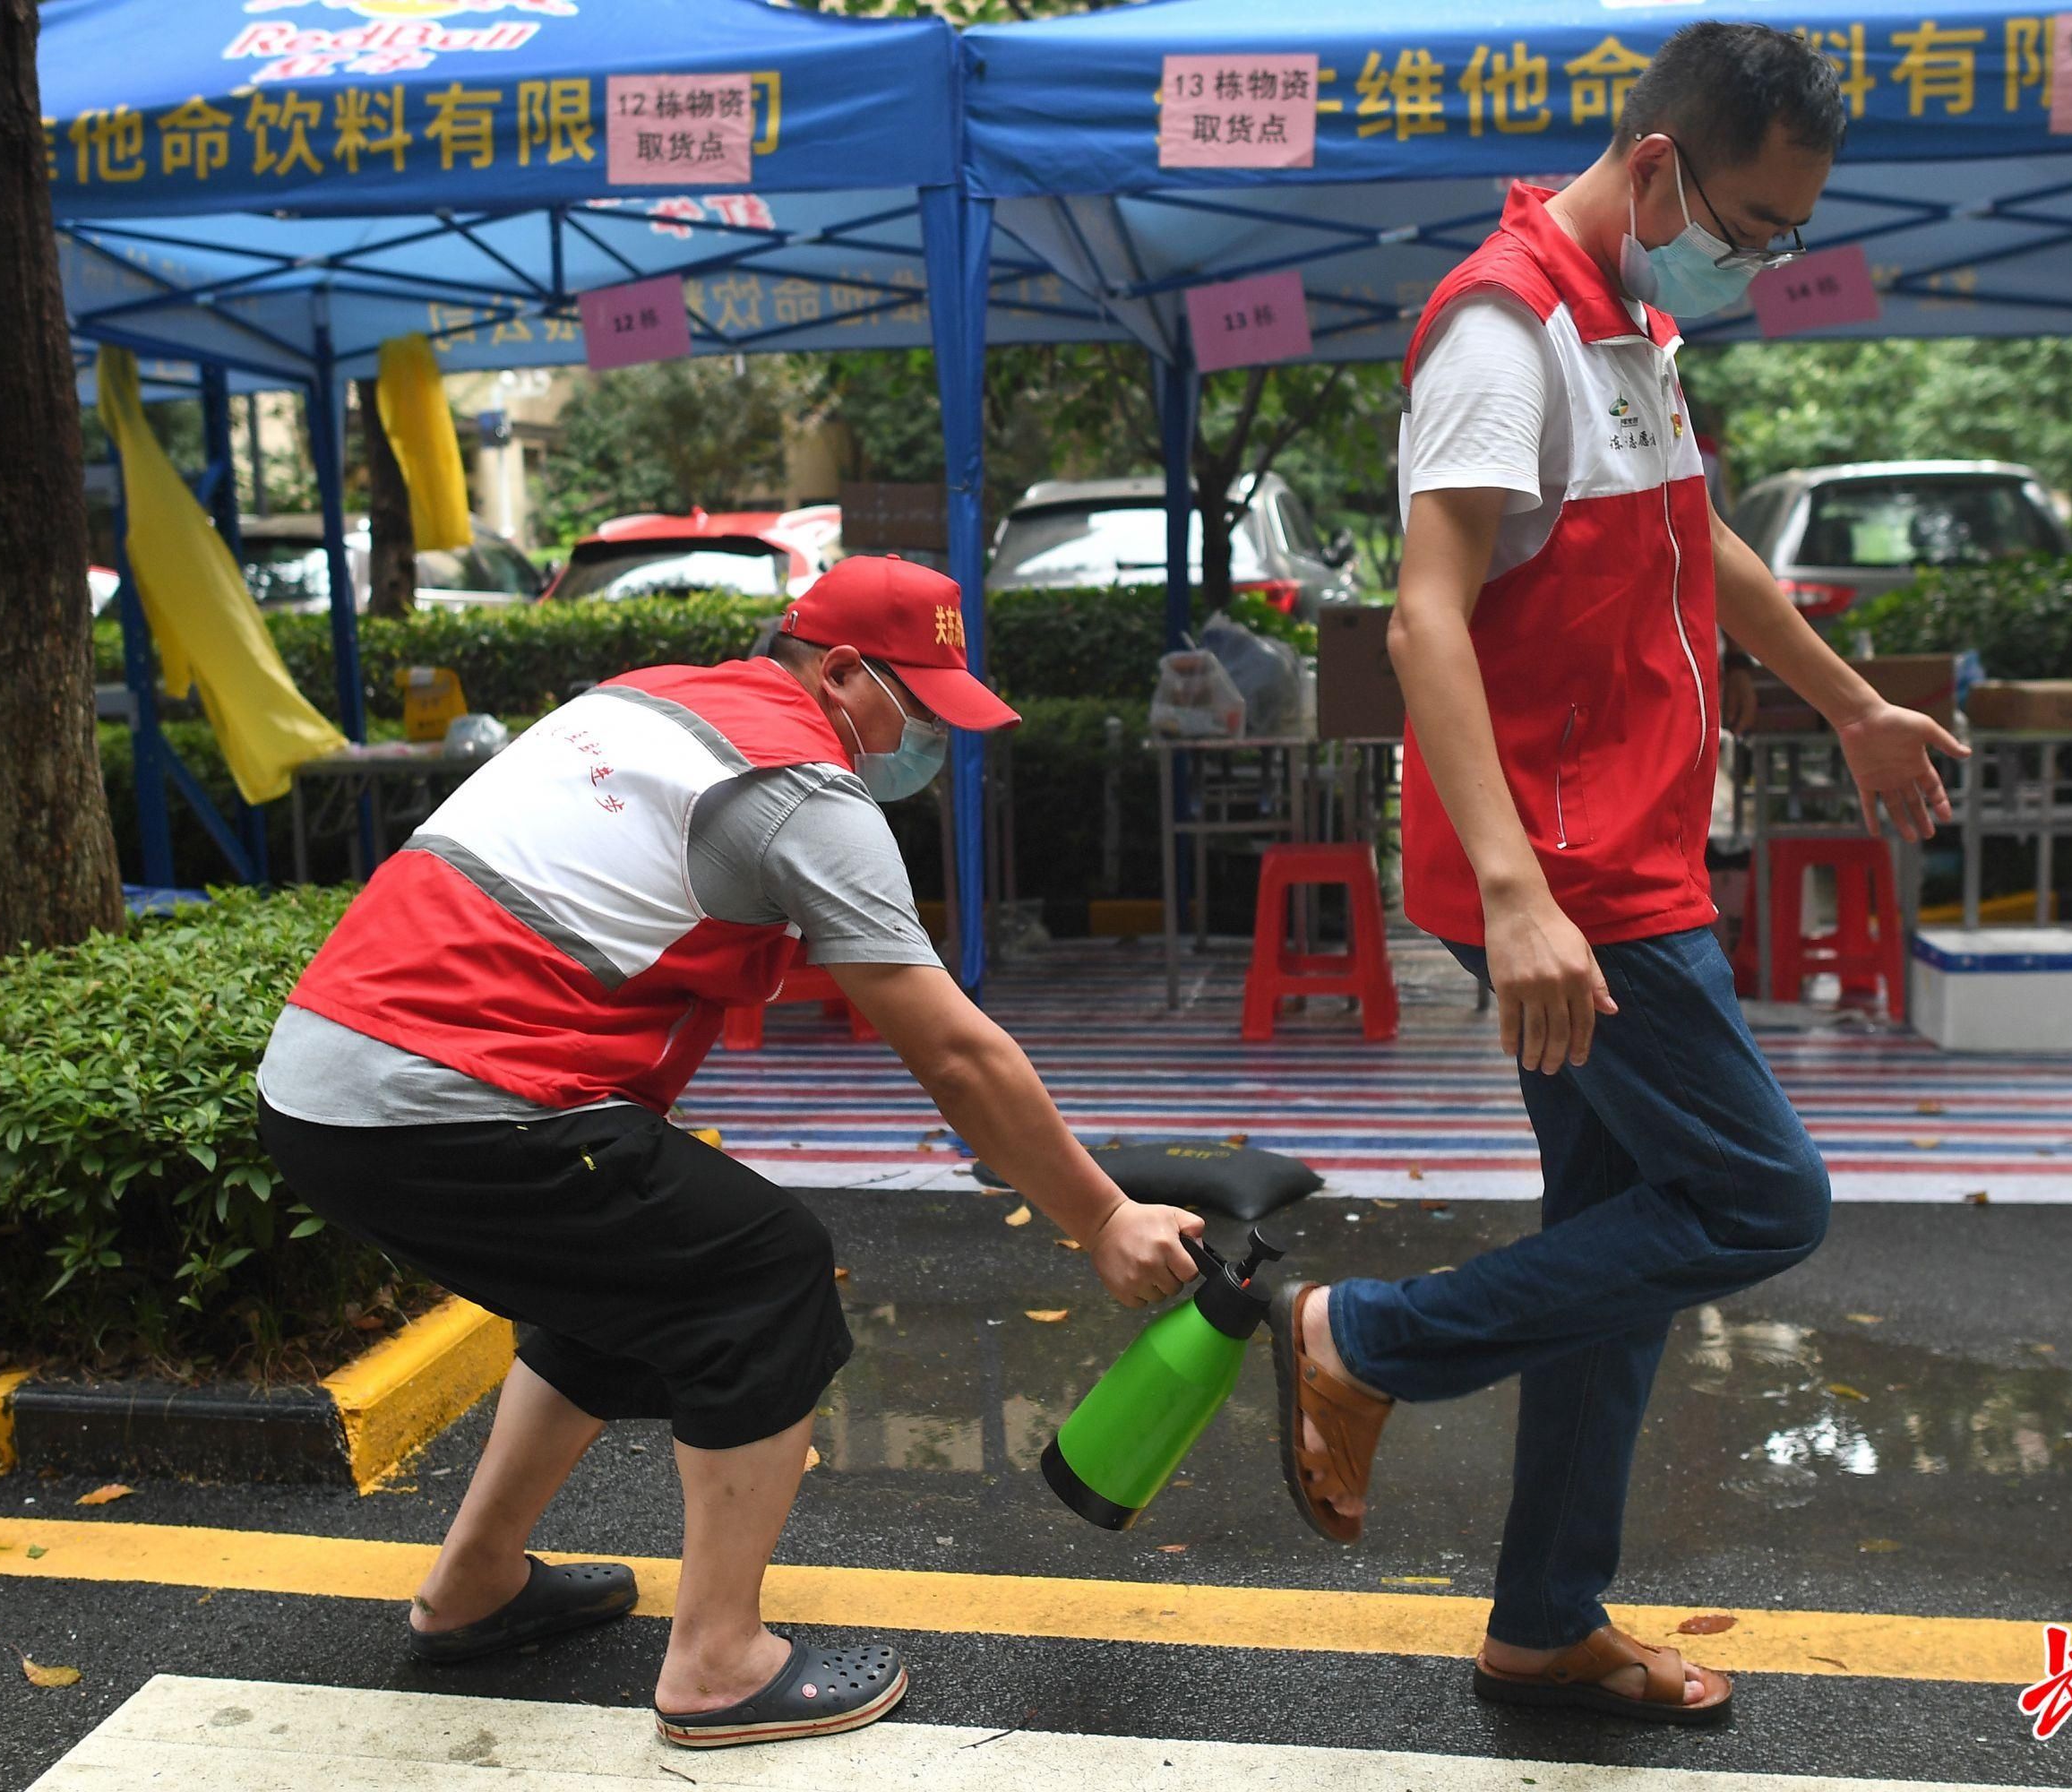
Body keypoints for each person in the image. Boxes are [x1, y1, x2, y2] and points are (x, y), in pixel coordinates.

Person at [1258, 24, 1967, 1727]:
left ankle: (1543, 1620)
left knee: (1628, 1235)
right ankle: (1363, 1338)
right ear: (1659, 167)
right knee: (1755, 1200)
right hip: (1573, 877)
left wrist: (1852, 701)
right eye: (1755, 223)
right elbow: (1427, 613)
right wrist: (1513, 896)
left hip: (1619, 851)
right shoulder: (1504, 329)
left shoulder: (1624, 320)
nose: (1761, 257)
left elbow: (1695, 535)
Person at [254, 556, 1200, 1750]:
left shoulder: (654, 698)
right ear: (844, 673)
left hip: (323, 1086)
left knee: (630, 1279)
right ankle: (716, 1664)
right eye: (919, 711)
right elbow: (954, 1052)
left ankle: (475, 1586)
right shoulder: (798, 781)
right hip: (453, 1094)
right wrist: (1104, 1217)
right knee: (765, 1273)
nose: (924, 746)